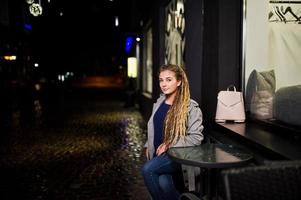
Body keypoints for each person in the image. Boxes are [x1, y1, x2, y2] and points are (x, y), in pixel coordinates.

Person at [142, 64, 204, 200]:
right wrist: (148, 144)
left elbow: (196, 138)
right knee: (164, 183)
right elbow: (153, 125)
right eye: (161, 80)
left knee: (147, 170)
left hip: (176, 155)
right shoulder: (159, 102)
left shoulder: (190, 107)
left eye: (169, 80)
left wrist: (169, 144)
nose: (164, 84)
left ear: (179, 82)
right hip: (158, 155)